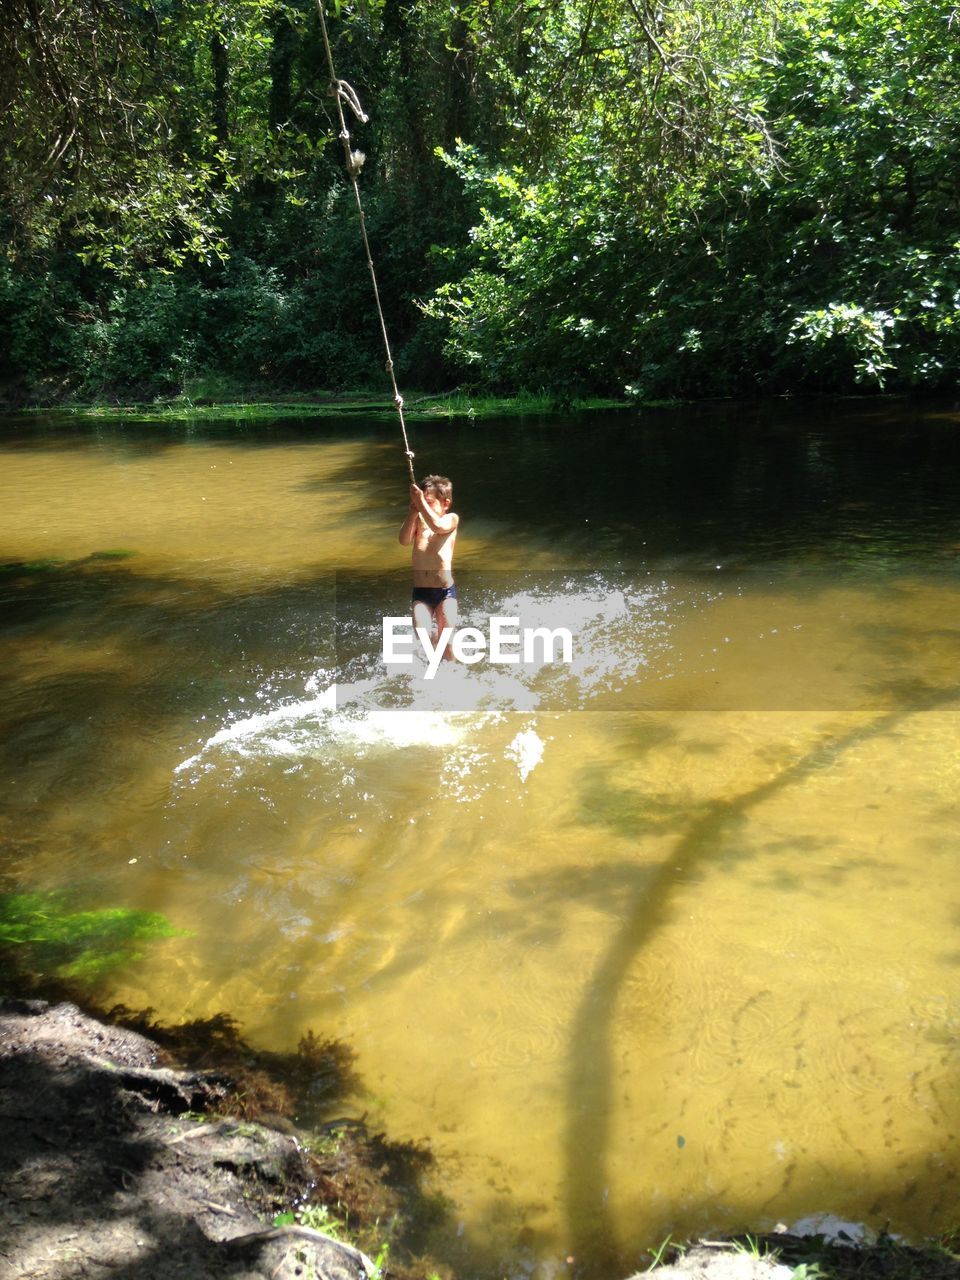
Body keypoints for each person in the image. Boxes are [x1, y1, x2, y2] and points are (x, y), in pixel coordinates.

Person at [398, 474, 459, 661]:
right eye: (421, 501)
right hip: (421, 592)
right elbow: (404, 540)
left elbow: (438, 525)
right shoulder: (419, 520)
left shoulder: (450, 519)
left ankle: (454, 674)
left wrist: (419, 502)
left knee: (446, 642)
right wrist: (412, 512)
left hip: (444, 592)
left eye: (429, 502)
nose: (423, 505)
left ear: (445, 503)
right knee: (422, 637)